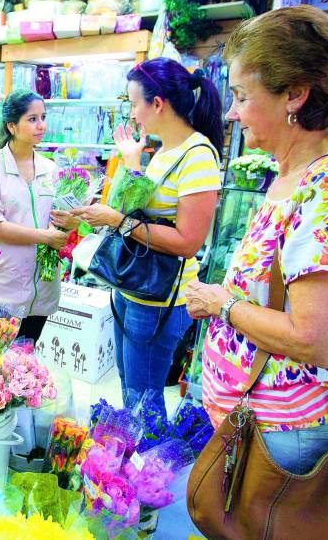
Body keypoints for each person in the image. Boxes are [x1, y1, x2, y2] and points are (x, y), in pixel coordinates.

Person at [186, 5, 328, 476]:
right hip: (260, 425)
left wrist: (222, 304)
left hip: (289, 438)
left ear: (295, 94)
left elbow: (318, 339)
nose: (231, 113)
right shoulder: (295, 170)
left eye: (242, 96)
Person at [63, 57, 224, 416]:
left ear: (157, 104)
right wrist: (131, 163)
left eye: (135, 103)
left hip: (161, 298)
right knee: (130, 386)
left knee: (143, 398)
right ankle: (136, 464)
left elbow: (188, 242)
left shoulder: (197, 157)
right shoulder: (165, 152)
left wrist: (119, 221)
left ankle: (152, 466)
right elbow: (145, 212)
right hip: (135, 287)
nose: (133, 114)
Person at [0, 90, 70, 342]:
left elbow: (60, 218)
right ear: (12, 126)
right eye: (32, 119)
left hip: (43, 289)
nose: (41, 125)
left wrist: (71, 222)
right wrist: (45, 237)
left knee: (27, 363)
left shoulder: (51, 169)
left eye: (43, 117)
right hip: (5, 288)